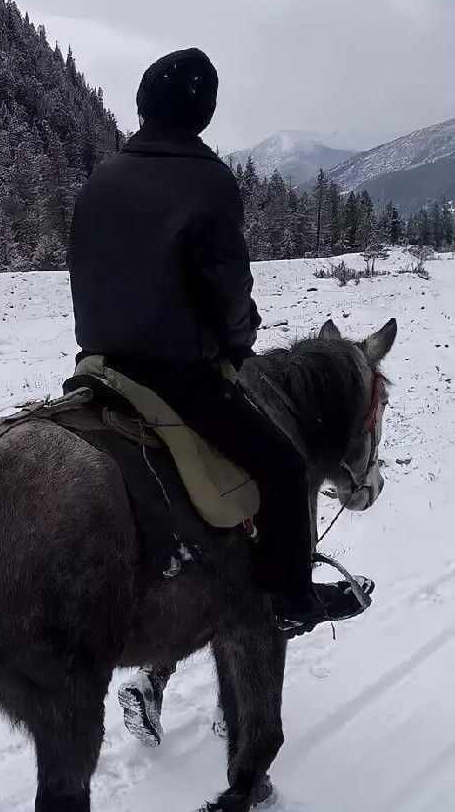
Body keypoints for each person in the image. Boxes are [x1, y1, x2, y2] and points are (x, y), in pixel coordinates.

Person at [67, 47, 366, 635]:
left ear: (144, 103)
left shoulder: (103, 175)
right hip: (176, 375)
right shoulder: (208, 181)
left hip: (96, 363)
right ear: (203, 112)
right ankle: (289, 600)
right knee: (282, 465)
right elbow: (229, 287)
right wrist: (237, 343)